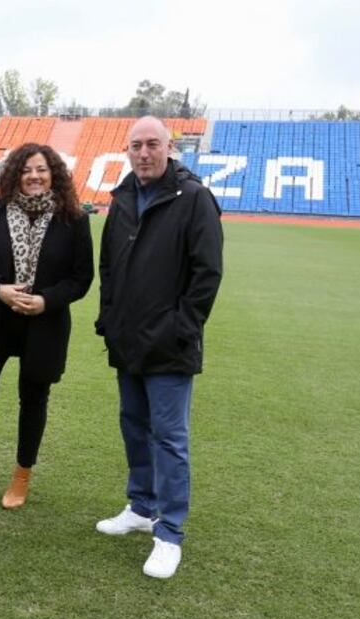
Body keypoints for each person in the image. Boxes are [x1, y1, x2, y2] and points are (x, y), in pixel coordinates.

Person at [94, 116, 223, 579]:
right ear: (126, 150)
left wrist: (181, 328)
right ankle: (142, 506)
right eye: (136, 145)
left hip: (169, 344)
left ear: (170, 148)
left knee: (169, 437)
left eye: (153, 144)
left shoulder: (194, 199)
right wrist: (109, 318)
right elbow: (109, 264)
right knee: (133, 424)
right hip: (127, 338)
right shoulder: (123, 197)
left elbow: (207, 273)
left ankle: (169, 532)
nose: (144, 152)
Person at [0, 143, 93, 509]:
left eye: (42, 169)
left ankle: (21, 476)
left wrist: (46, 300)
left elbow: (82, 278)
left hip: (44, 323)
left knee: (33, 399)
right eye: (26, 170)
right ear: (15, 175)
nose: (34, 176)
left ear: (54, 174)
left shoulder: (74, 219)